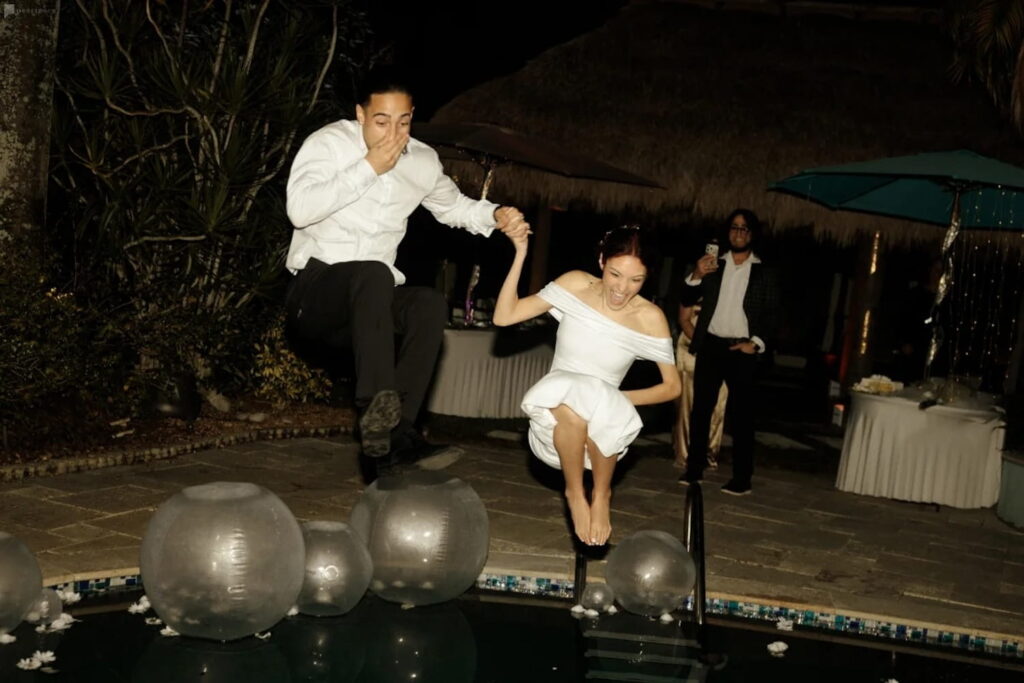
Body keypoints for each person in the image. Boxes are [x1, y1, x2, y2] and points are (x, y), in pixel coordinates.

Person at [283, 67, 530, 474]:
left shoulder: (422, 161)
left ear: (412, 115)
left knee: (427, 304)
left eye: (403, 121)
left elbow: (455, 207)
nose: (392, 134)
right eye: (381, 121)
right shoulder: (328, 144)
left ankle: (396, 434)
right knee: (374, 273)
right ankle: (374, 409)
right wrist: (369, 166)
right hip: (315, 294)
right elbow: (299, 209)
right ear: (361, 115)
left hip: (369, 309)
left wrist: (496, 214)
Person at [493, 226, 680, 546]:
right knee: (571, 398)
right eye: (615, 274)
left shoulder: (650, 317)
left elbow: (672, 387)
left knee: (593, 400)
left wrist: (613, 398)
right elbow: (504, 316)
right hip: (553, 427)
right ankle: (575, 494)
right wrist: (520, 254)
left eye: (636, 280)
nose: (622, 288)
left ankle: (602, 494)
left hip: (602, 439)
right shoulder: (575, 284)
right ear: (601, 260)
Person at [679, 209, 779, 496]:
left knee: (742, 415)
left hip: (742, 350)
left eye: (744, 229)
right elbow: (686, 297)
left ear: (752, 234)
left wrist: (755, 342)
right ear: (727, 232)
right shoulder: (713, 265)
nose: (738, 233)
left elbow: (772, 314)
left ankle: (741, 478)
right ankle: (694, 469)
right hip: (711, 345)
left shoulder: (763, 271)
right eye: (734, 228)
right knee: (701, 411)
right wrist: (696, 274)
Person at [672, 303, 728, 469]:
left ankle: (709, 452)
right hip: (693, 347)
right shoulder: (693, 283)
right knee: (687, 404)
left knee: (718, 403)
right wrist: (703, 345)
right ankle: (686, 454)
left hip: (722, 349)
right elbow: (684, 319)